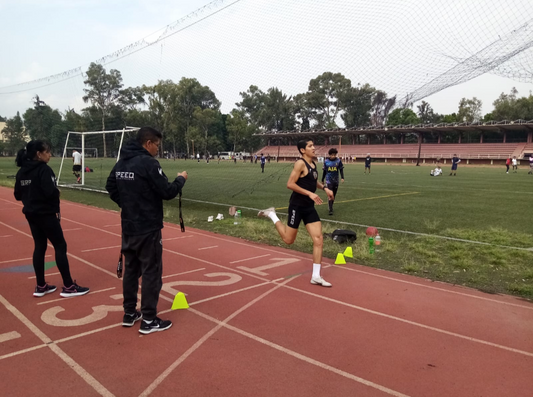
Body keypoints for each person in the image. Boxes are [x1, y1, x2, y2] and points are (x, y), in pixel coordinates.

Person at [106, 127, 187, 335]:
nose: (158, 150)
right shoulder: (148, 163)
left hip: (129, 226)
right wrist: (181, 179)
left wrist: (128, 205)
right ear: (148, 143)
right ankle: (149, 319)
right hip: (147, 227)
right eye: (157, 145)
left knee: (131, 270)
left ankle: (130, 312)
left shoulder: (121, 162)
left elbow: (111, 186)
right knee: (152, 272)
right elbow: (167, 191)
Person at [14, 140, 90, 298]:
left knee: (40, 246)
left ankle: (41, 285)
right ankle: (69, 286)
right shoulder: (43, 170)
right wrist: (56, 193)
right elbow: (50, 192)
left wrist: (31, 196)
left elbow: (17, 195)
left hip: (31, 214)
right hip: (46, 214)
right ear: (38, 154)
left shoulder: (22, 172)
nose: (50, 155)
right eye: (47, 152)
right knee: (60, 246)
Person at [258, 139, 334, 287]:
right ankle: (272, 214)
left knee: (318, 239)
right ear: (302, 150)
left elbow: (313, 181)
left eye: (313, 145)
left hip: (309, 207)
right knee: (288, 240)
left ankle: (316, 276)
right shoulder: (300, 163)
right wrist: (309, 194)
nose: (314, 148)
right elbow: (290, 184)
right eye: (310, 146)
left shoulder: (313, 164)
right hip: (297, 206)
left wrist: (324, 188)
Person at [321, 148, 344, 215]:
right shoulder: (326, 161)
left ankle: (331, 205)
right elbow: (324, 171)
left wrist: (342, 177)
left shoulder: (338, 161)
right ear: (329, 155)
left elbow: (341, 170)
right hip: (329, 181)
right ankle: (330, 209)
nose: (333, 156)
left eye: (334, 155)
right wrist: (322, 179)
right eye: (332, 155)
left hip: (336, 181)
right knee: (330, 194)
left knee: (334, 195)